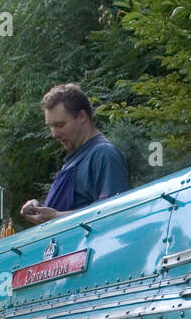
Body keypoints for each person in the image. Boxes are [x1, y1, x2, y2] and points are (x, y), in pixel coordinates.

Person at [20, 83, 127, 224]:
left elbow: (112, 214)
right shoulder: (74, 160)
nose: (54, 134)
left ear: (82, 116)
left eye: (60, 125)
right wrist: (40, 209)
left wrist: (55, 217)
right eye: (51, 126)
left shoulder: (103, 155)